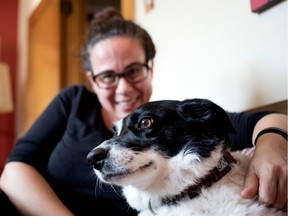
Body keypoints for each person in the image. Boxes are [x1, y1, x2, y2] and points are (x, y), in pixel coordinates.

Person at [0, 7, 287, 216]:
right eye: (108, 76)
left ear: (150, 68)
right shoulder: (73, 101)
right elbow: (14, 171)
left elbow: (264, 122)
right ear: (92, 80)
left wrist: (271, 148)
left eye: (134, 71)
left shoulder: (171, 121)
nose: (123, 88)